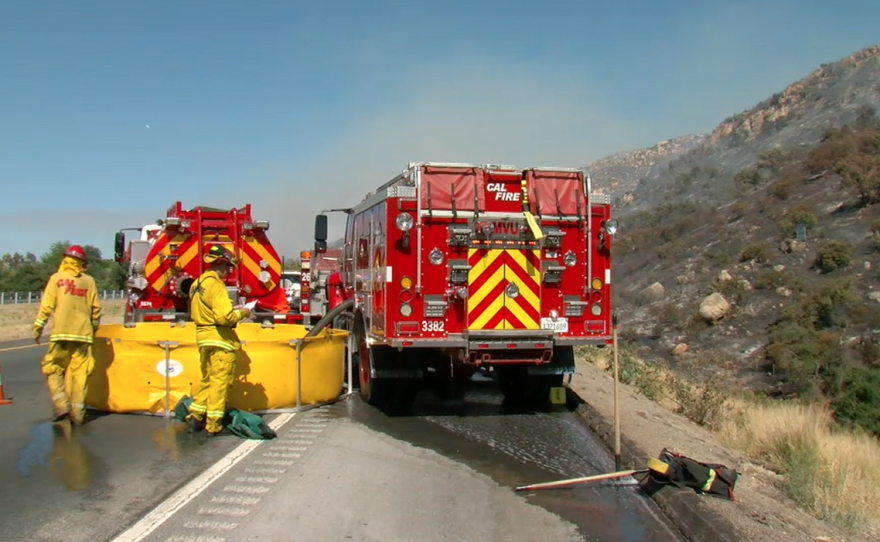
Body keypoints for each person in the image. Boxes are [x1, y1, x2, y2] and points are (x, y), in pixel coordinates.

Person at [184, 244, 251, 436]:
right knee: (219, 383)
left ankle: (196, 417)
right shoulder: (216, 285)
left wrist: (231, 309)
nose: (228, 271)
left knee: (207, 380)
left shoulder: (197, 284)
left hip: (203, 338)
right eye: (228, 267)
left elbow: (208, 311)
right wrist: (243, 312)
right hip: (220, 340)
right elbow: (224, 318)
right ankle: (213, 425)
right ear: (220, 264)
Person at [32, 245, 101, 426]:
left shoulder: (56, 279)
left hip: (60, 335)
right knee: (80, 375)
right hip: (83, 337)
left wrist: (38, 327)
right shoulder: (89, 281)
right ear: (82, 263)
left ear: (65, 260)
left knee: (52, 368)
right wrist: (93, 329)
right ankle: (77, 415)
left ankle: (61, 406)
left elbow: (46, 305)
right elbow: (96, 309)